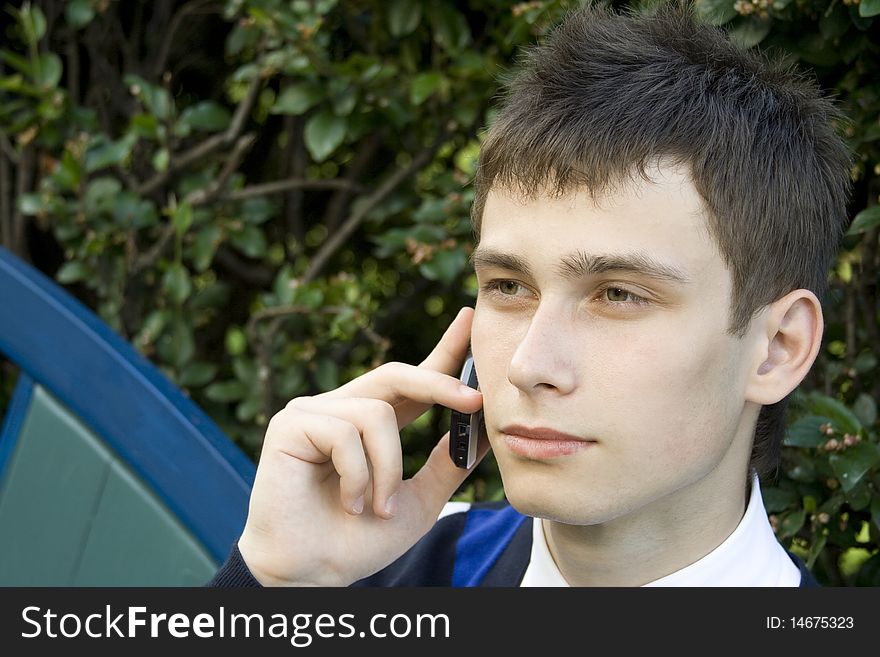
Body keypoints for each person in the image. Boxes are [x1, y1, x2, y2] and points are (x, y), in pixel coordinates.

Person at [209, 2, 852, 587]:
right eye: (509, 286)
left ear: (777, 349)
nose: (527, 365)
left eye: (619, 295)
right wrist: (271, 590)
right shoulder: (370, 572)